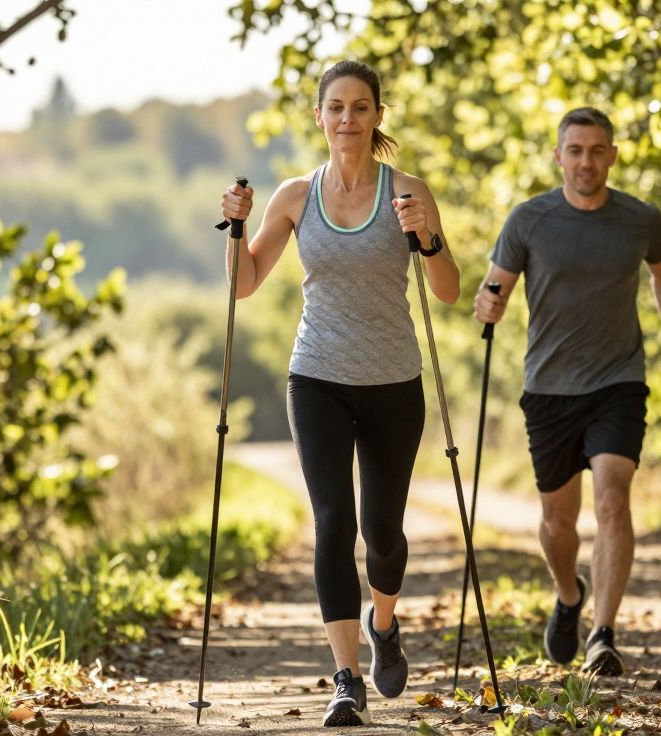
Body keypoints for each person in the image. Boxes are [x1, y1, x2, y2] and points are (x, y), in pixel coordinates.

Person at [219, 59, 459, 726]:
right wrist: (237, 228)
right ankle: (346, 677)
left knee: (383, 532)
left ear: (378, 115)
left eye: (361, 107)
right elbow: (244, 283)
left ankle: (384, 625)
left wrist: (427, 238)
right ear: (320, 117)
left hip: (393, 380)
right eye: (336, 108)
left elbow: (447, 288)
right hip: (316, 376)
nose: (348, 118)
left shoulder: (408, 191)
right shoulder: (295, 196)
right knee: (334, 523)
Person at [472, 107, 661, 677]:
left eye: (597, 150)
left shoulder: (640, 219)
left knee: (614, 499)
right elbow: (492, 288)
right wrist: (487, 303)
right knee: (556, 524)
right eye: (576, 150)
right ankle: (570, 594)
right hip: (549, 389)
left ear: (612, 155)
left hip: (618, 381)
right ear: (559, 156)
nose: (586, 161)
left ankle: (603, 633)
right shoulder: (530, 220)